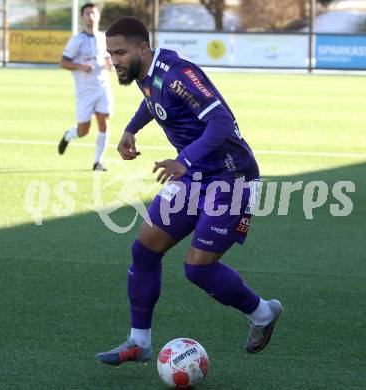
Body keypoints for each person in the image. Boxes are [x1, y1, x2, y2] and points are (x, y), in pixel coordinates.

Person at [96, 16, 282, 367]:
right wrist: (131, 129)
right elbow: (152, 100)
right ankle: (139, 343)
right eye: (110, 53)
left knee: (198, 269)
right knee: (144, 250)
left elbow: (222, 121)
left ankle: (262, 314)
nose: (114, 60)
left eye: (119, 52)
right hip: (193, 176)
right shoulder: (144, 74)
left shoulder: (179, 73)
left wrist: (184, 160)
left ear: (142, 48)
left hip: (231, 177)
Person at [58, 3, 113, 171]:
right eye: (87, 13)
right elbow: (64, 62)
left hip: (102, 87)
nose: (90, 16)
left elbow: (108, 59)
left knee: (104, 122)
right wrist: (81, 67)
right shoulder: (77, 40)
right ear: (82, 17)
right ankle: (69, 135)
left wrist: (110, 63)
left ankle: (98, 162)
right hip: (84, 91)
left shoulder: (104, 38)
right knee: (83, 131)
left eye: (93, 13)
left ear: (98, 16)